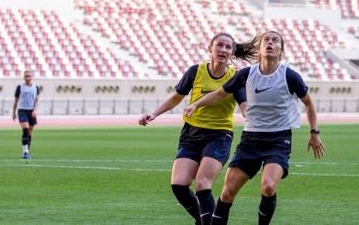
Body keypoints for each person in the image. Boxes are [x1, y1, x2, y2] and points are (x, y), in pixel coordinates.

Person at [183, 30, 326, 225]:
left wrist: (314, 131)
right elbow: (218, 94)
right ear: (259, 49)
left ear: (281, 51)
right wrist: (195, 104)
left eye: (275, 41)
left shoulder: (290, 76)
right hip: (250, 140)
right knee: (227, 193)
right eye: (266, 40)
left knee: (268, 187)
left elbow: (309, 103)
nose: (269, 43)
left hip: (278, 140)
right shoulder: (246, 74)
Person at [139, 33, 256, 225]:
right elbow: (176, 98)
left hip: (219, 135)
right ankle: (203, 221)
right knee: (179, 185)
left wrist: (252, 116)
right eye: (219, 45)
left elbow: (244, 106)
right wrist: (154, 113)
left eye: (228, 47)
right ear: (210, 48)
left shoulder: (235, 77)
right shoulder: (195, 71)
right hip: (191, 133)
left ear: (232, 53)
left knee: (202, 183)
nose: (223, 50)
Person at [12, 70, 40, 159]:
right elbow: (16, 101)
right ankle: (25, 152)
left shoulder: (35, 87)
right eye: (26, 76)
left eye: (29, 76)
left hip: (31, 111)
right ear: (23, 77)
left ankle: (27, 150)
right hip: (22, 110)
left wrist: (35, 110)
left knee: (29, 132)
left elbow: (37, 100)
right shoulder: (20, 87)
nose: (28, 78)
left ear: (32, 77)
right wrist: (13, 113)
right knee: (26, 129)